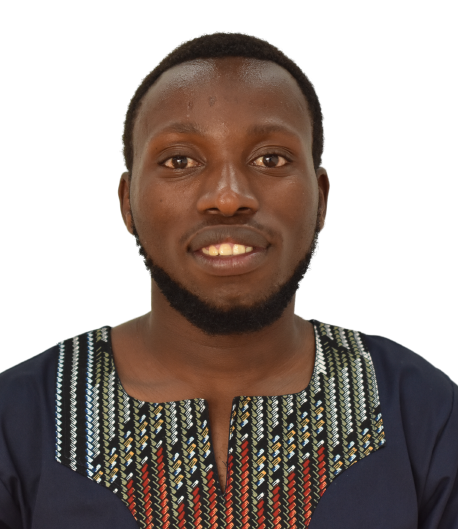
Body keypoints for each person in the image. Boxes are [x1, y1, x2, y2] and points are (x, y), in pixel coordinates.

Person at [0, 32, 456, 529]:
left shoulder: (420, 410)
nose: (228, 197)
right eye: (180, 161)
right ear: (127, 202)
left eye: (270, 159)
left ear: (321, 199)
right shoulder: (21, 419)